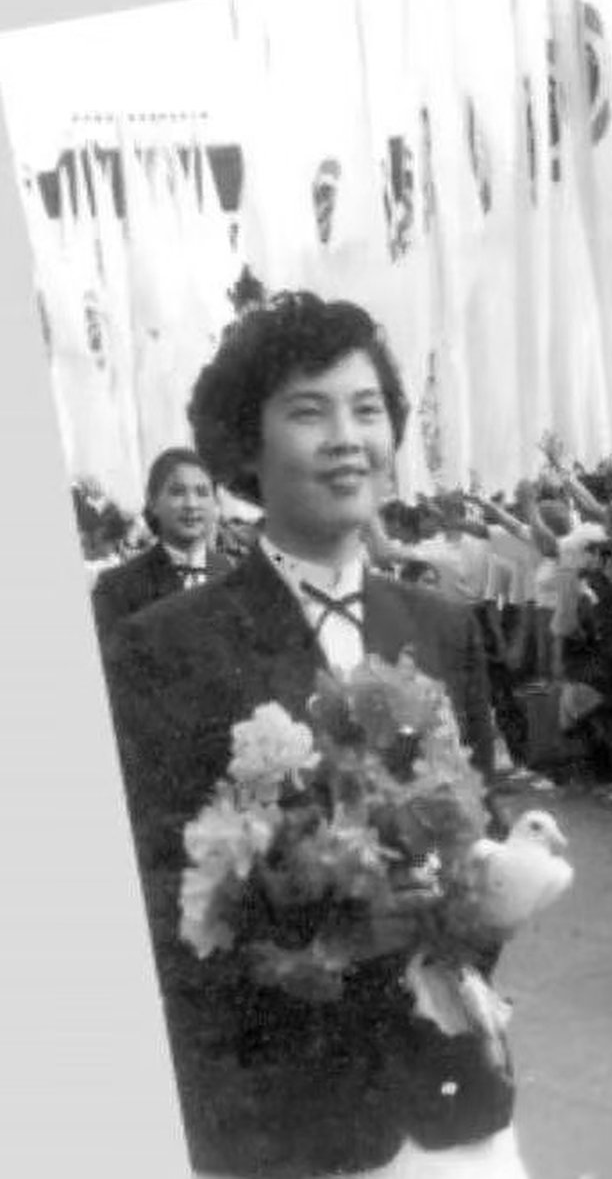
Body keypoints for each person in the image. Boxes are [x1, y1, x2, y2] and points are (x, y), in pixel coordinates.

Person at [101, 293, 522, 1179]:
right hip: (280, 1107)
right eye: (309, 412)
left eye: (367, 410)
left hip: (445, 1086)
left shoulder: (442, 626)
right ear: (244, 447)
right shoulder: (163, 647)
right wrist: (324, 929)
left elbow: (481, 816)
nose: (347, 438)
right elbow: (149, 886)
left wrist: (486, 889)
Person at [91, 448, 230, 642]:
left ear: (215, 503)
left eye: (202, 492)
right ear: (153, 502)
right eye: (177, 492)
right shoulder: (116, 587)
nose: (191, 504)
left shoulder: (234, 575)